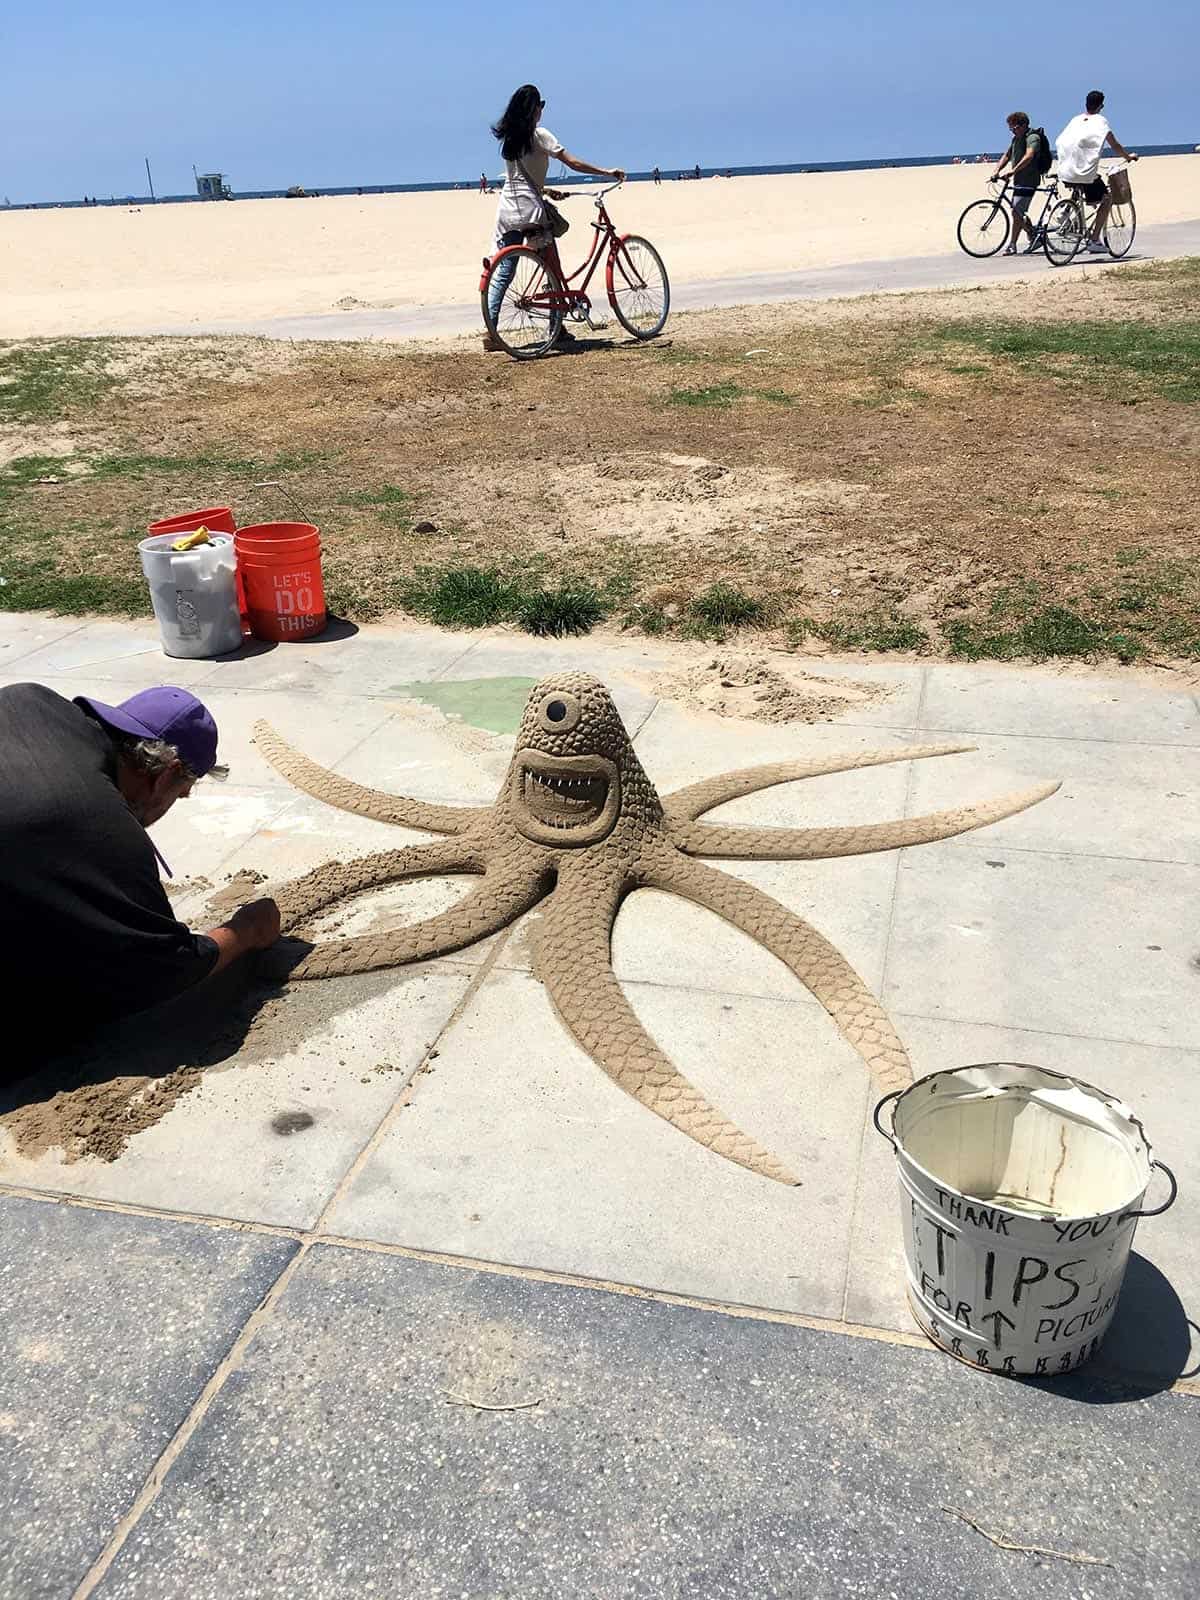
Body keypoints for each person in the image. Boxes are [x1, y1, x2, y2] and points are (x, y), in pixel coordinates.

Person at [0, 683, 281, 1065]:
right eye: (179, 795)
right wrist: (245, 931)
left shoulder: (27, 700)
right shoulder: (98, 822)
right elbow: (160, 970)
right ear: (167, 775)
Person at [483, 84, 626, 353]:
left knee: (505, 270)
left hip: (508, 209)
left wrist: (547, 190)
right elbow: (573, 163)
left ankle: (491, 331)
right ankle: (556, 327)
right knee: (552, 265)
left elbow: (520, 178)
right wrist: (606, 171)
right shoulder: (540, 135)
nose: (542, 110)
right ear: (534, 109)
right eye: (541, 105)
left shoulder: (510, 140)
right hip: (530, 211)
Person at [1056, 89, 1138, 252]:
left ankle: (1066, 213)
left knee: (1086, 185)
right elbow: (1114, 145)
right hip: (1084, 174)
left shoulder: (1076, 120)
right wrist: (1128, 157)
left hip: (1065, 172)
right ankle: (1094, 240)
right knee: (1107, 199)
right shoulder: (1100, 121)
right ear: (1101, 105)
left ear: (1086, 103)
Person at [991, 112, 1044, 253]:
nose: (1013, 131)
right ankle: (1033, 235)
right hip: (1019, 181)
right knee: (1018, 211)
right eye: (1011, 129)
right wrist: (996, 170)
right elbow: (1007, 155)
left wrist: (1013, 171)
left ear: (1024, 125)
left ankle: (1012, 244)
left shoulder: (1033, 137)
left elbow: (1029, 156)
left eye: (1014, 128)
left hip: (1029, 180)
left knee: (1016, 211)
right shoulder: (1016, 139)